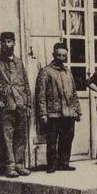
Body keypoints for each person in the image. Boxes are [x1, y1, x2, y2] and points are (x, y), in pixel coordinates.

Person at [0, 31, 32, 178]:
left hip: (21, 105)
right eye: (4, 42)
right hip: (5, 106)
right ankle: (10, 166)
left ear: (14, 43)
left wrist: (28, 104)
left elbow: (26, 84)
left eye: (9, 41)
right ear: (1, 44)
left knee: (21, 135)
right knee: (6, 136)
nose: (6, 45)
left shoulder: (19, 62)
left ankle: (19, 165)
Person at [35, 43, 82, 173]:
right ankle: (52, 165)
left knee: (67, 139)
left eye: (64, 55)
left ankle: (64, 163)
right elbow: (41, 95)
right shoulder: (45, 71)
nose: (61, 58)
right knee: (52, 141)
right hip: (53, 113)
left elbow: (73, 93)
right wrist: (43, 114)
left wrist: (78, 111)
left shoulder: (68, 71)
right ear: (53, 55)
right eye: (58, 55)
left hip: (68, 113)